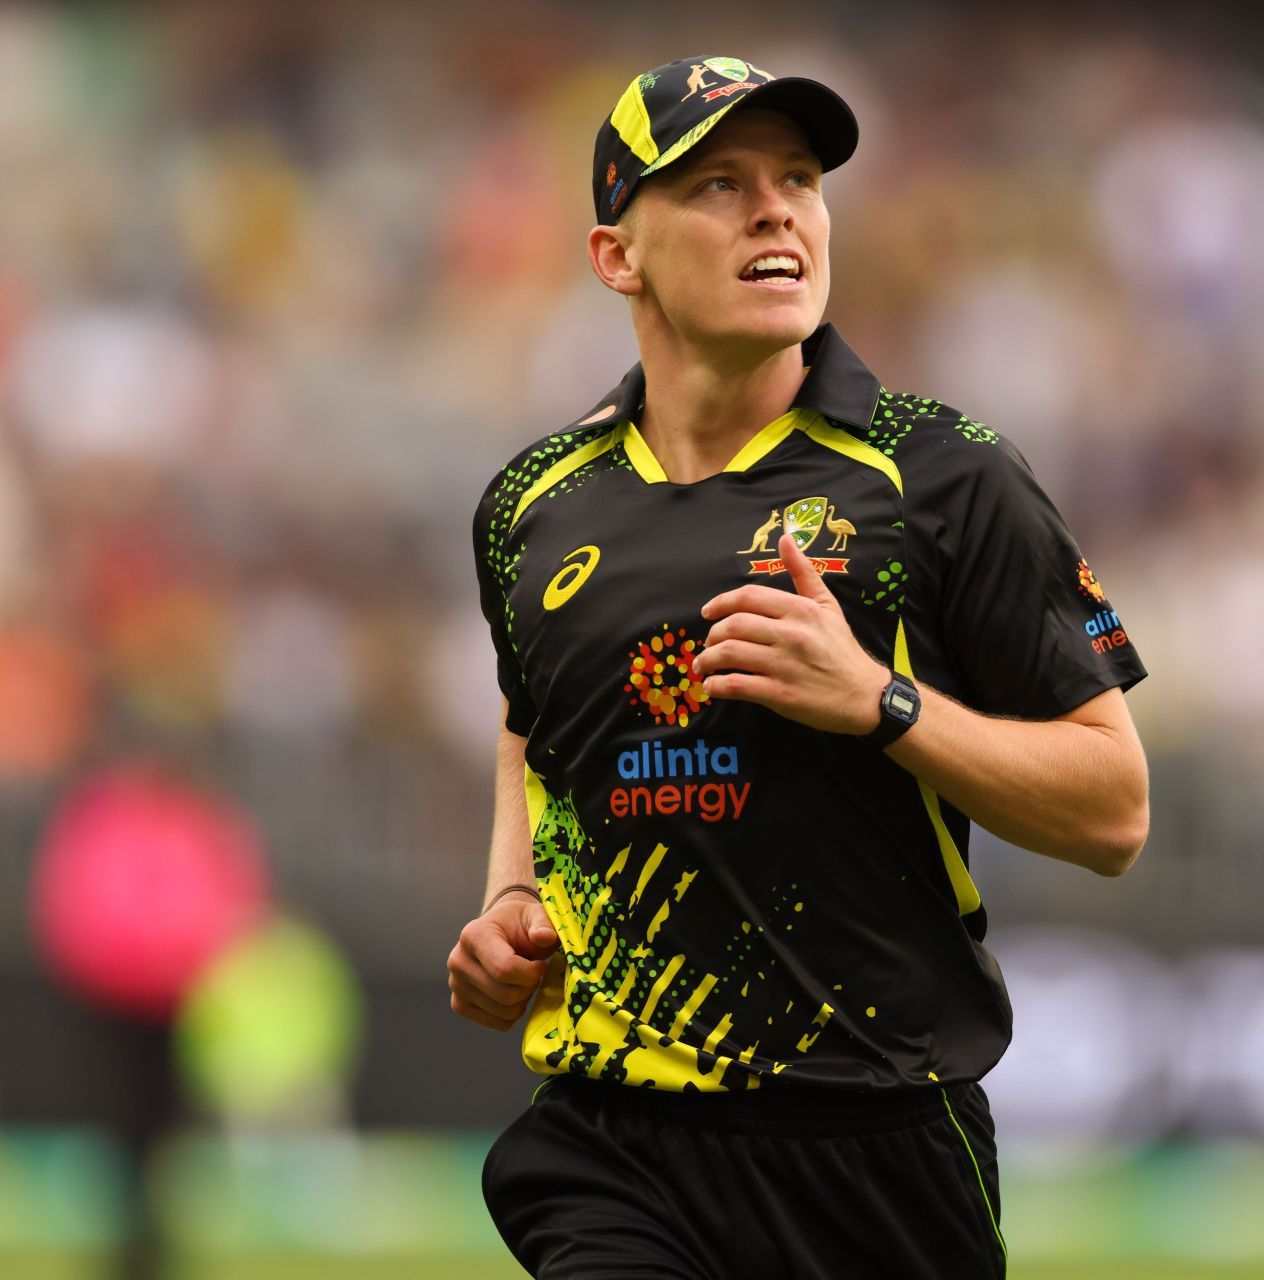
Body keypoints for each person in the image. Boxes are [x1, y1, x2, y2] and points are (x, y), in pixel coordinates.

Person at [449, 54, 1150, 1279]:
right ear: (617, 255)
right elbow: (532, 718)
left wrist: (881, 705)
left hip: (875, 1145)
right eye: (719, 183)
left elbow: (1115, 810)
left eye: (799, 179)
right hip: (615, 1139)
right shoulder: (532, 505)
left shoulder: (943, 476)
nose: (776, 209)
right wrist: (514, 896)